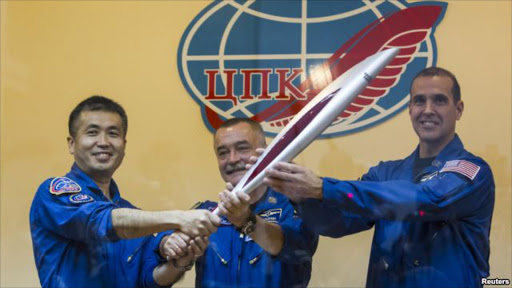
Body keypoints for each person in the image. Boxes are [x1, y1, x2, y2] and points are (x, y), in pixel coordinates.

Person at [261, 67, 495, 288]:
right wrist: (300, 195)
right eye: (419, 101)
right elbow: (337, 222)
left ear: (459, 109)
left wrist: (323, 188)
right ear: (410, 109)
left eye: (440, 100)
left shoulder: (472, 171)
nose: (428, 109)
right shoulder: (384, 174)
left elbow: (425, 200)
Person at [29, 95, 221, 288]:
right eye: (92, 132)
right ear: (72, 143)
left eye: (113, 133)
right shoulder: (54, 193)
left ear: (124, 145)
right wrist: (180, 218)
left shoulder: (129, 213)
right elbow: (101, 222)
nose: (103, 142)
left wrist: (180, 261)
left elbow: (149, 280)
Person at [163, 118, 319, 288]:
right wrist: (169, 246)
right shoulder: (205, 214)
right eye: (223, 152)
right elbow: (162, 271)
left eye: (242, 148)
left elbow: (294, 249)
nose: (232, 159)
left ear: (265, 153)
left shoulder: (294, 208)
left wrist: (245, 220)